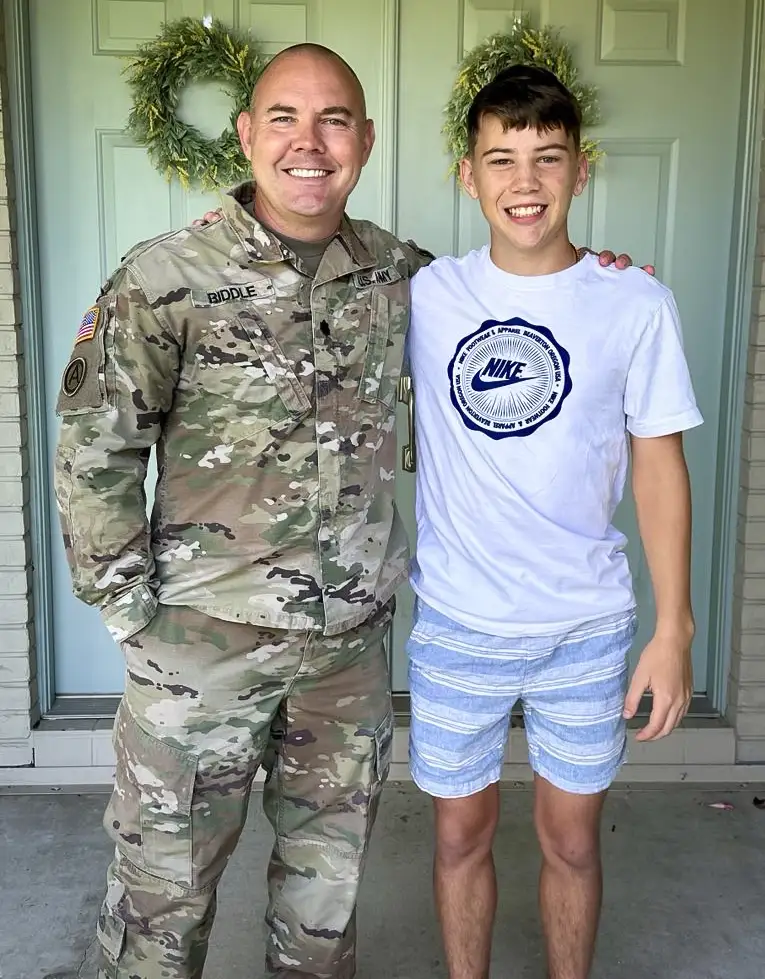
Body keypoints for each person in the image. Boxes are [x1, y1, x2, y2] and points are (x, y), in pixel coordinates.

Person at [54, 43, 643, 979]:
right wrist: (133, 614)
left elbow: (514, 288)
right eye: (284, 118)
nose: (308, 142)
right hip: (198, 648)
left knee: (321, 901)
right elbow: (94, 446)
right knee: (162, 899)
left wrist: (595, 276)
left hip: (344, 655)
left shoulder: (400, 278)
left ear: (364, 141)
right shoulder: (166, 276)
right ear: (247, 134)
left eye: (334, 121)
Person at [404, 64, 701, 979]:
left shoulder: (634, 302)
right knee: (460, 832)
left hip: (585, 621)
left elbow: (658, 464)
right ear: (467, 175)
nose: (523, 182)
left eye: (547, 158)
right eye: (500, 158)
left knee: (572, 838)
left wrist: (673, 629)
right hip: (456, 620)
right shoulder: (419, 295)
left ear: (580, 170)